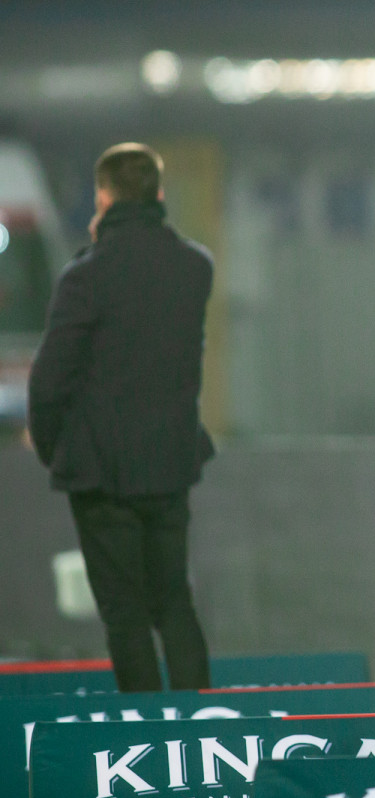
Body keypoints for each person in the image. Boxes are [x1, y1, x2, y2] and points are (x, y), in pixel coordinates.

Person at [28, 142, 215, 692]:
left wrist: (56, 450)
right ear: (158, 193)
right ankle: (200, 720)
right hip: (171, 463)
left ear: (103, 197)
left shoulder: (86, 277)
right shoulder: (194, 267)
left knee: (124, 611)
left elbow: (50, 379)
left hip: (102, 472)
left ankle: (145, 727)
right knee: (174, 601)